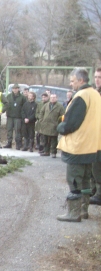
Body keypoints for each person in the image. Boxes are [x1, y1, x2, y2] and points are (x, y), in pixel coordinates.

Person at [56, 67, 101, 222]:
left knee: (74, 179)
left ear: (81, 80)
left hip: (78, 145)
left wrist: (60, 127)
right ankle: (83, 210)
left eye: (72, 80)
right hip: (92, 145)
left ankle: (73, 213)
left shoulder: (81, 96)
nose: (71, 83)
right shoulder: (95, 94)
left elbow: (70, 123)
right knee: (86, 179)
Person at [38, 93, 64, 158]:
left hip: (54, 126)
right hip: (45, 125)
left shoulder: (60, 106)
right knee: (45, 140)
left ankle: (53, 152)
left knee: (53, 140)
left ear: (56, 98)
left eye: (54, 97)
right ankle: (46, 152)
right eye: (51, 97)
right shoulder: (46, 105)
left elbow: (63, 116)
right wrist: (41, 120)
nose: (52, 99)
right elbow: (41, 112)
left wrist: (59, 124)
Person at [90, 67, 101, 205]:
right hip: (94, 133)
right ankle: (94, 190)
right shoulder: (94, 93)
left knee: (98, 164)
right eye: (96, 77)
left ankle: (99, 193)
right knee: (93, 162)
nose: (97, 80)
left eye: (100, 77)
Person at [4, 83, 26, 149]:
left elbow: (24, 107)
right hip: (10, 116)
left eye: (16, 89)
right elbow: (6, 104)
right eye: (13, 89)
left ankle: (18, 144)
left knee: (17, 130)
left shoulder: (22, 97)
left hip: (18, 116)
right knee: (9, 130)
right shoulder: (9, 96)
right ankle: (9, 143)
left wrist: (23, 116)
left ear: (18, 89)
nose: (15, 90)